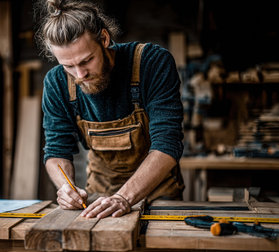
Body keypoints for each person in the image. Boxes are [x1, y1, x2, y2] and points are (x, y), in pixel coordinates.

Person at [35, 0, 185, 219]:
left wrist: (124, 198)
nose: (79, 75)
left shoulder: (151, 63)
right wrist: (65, 187)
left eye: (87, 60)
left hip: (160, 196)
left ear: (104, 39)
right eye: (68, 66)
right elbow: (57, 151)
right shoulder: (57, 83)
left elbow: (168, 144)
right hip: (99, 196)